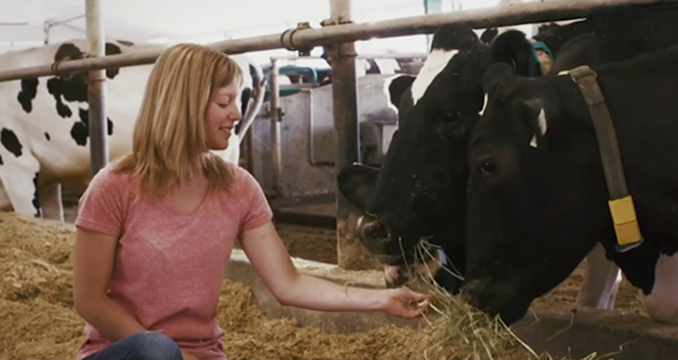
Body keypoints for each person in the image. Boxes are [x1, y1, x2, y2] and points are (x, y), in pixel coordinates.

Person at [71, 43, 431, 360]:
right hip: (127, 353)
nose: (237, 114)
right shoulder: (115, 187)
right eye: (224, 102)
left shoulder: (237, 188)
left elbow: (289, 284)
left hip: (203, 355)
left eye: (237, 101)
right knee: (156, 350)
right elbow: (89, 300)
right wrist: (176, 356)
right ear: (184, 105)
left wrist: (381, 299)